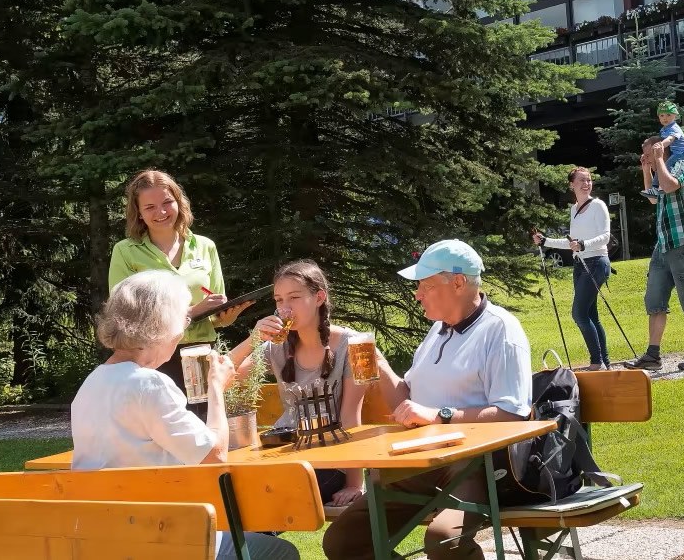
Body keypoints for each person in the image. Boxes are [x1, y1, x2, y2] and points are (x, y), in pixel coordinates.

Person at [322, 240, 532, 560]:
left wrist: (441, 415)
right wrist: (378, 363)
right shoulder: (437, 331)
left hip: (478, 466)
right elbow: (406, 402)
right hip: (419, 463)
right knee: (343, 542)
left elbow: (512, 414)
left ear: (458, 282)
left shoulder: (500, 330)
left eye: (424, 285)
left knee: (444, 540)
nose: (417, 294)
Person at [72, 271, 299, 560]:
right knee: (280, 553)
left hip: (104, 540)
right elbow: (215, 457)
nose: (181, 332)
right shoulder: (149, 384)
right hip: (162, 539)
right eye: (183, 321)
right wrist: (215, 387)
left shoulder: (91, 383)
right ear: (160, 327)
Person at [108, 170, 252, 409]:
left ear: (179, 202)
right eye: (150, 207)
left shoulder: (206, 247)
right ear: (139, 213)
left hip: (203, 353)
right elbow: (124, 318)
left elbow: (216, 316)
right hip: (154, 357)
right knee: (164, 432)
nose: (161, 212)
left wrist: (227, 316)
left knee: (208, 426)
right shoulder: (125, 251)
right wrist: (192, 311)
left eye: (167, 202)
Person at [228, 261, 366, 508]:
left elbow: (351, 417)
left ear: (319, 297)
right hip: (283, 454)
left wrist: (355, 483)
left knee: (264, 506)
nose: (284, 308)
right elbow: (224, 377)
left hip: (330, 462)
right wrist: (253, 340)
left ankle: (245, 546)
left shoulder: (354, 344)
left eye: (293, 298)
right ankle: (241, 546)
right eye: (279, 300)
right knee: (236, 498)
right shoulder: (277, 347)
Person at [625, 135, 684, 372]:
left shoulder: (681, 165)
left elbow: (670, 185)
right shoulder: (658, 169)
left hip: (682, 242)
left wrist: (660, 159)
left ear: (660, 149)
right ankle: (652, 356)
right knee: (654, 300)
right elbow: (653, 197)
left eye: (648, 154)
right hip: (663, 246)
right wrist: (646, 169)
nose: (647, 158)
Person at [533, 167, 613, 371]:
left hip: (596, 262)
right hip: (580, 265)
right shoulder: (574, 209)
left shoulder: (598, 206)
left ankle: (597, 362)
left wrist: (584, 244)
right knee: (590, 315)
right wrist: (545, 241)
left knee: (578, 314)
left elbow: (605, 237)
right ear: (572, 185)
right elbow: (572, 243)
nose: (586, 184)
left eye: (589, 180)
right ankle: (604, 362)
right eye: (582, 181)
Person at [641, 100, 684, 198]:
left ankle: (656, 188)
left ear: (675, 116)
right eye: (662, 115)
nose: (665, 118)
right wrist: (646, 171)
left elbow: (670, 139)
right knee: (662, 168)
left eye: (668, 115)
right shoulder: (664, 129)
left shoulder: (674, 128)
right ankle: (655, 189)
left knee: (666, 166)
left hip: (682, 153)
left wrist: (660, 146)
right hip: (675, 153)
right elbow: (653, 201)